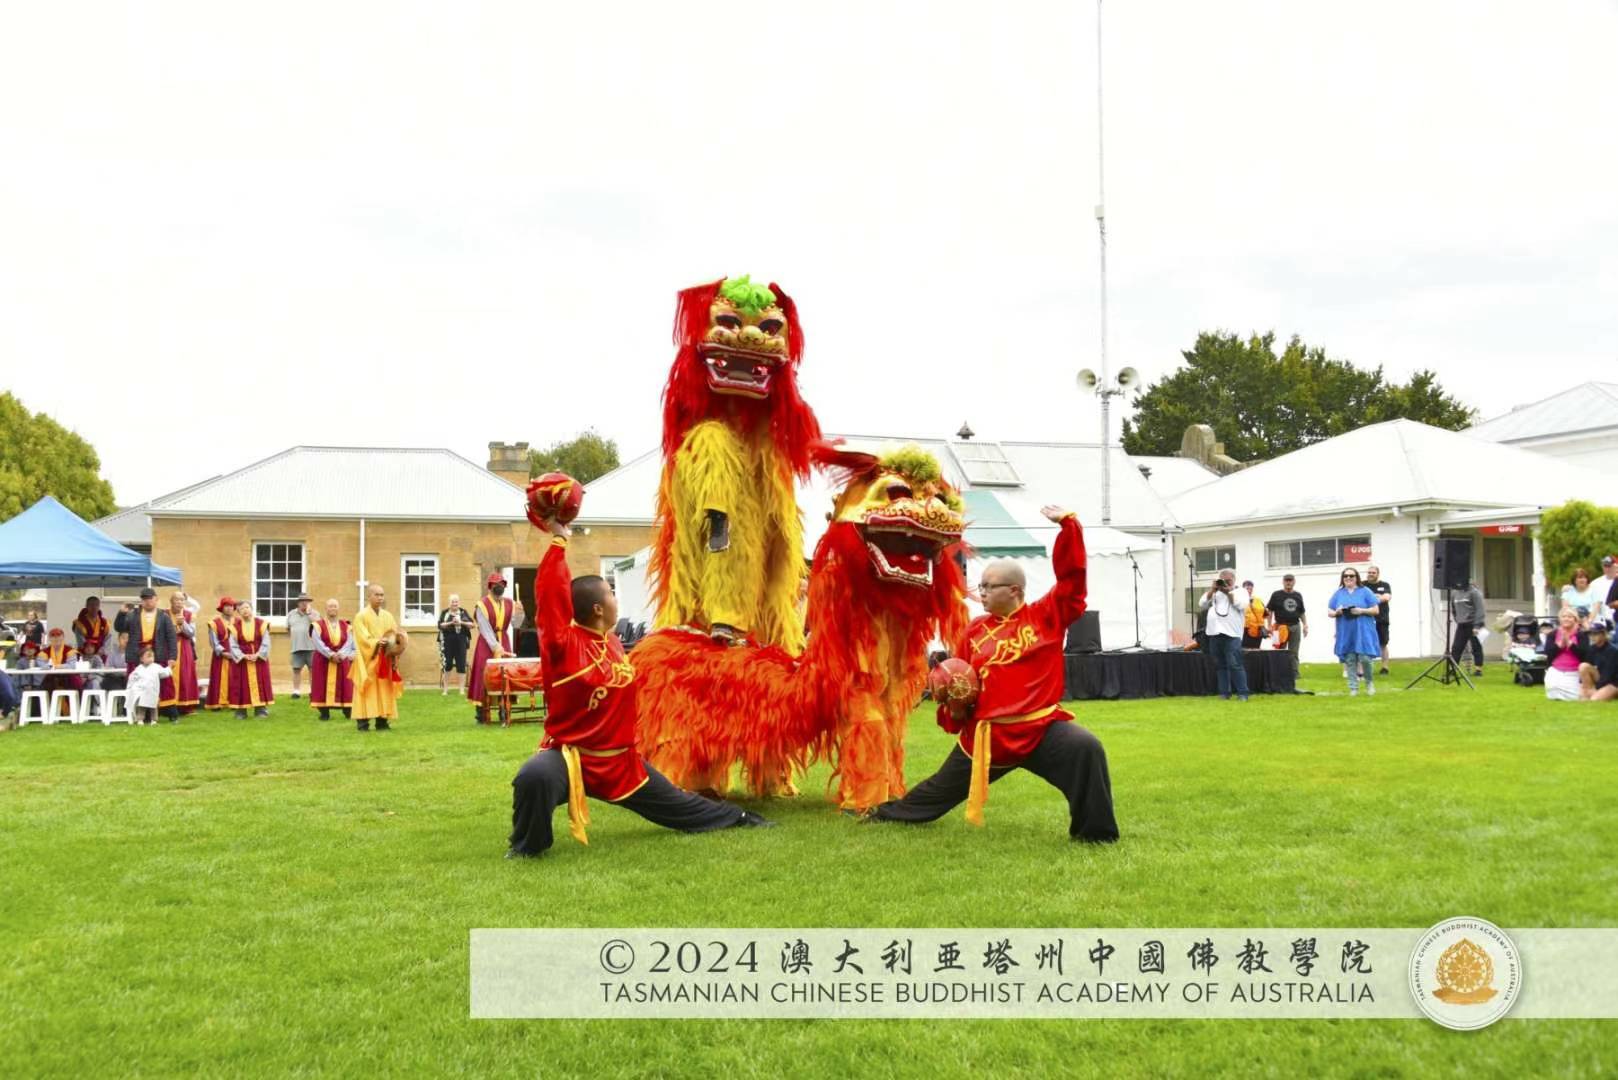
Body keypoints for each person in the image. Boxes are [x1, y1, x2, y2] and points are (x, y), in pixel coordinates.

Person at [508, 503, 770, 858]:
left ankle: (739, 818)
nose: (616, 599)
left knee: (679, 804)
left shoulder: (615, 644)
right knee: (534, 776)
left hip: (620, 763)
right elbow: (551, 597)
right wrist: (558, 540)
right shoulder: (564, 645)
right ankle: (527, 847)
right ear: (598, 608)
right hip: (571, 760)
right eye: (611, 593)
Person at [869, 506, 1118, 840]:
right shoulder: (975, 630)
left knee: (1086, 748)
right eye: (981, 585)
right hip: (989, 737)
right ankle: (889, 814)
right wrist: (955, 705)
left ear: (1014, 590)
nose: (981, 592)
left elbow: (1072, 580)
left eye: (989, 586)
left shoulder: (1046, 616)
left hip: (1039, 729)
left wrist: (1069, 527)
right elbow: (960, 679)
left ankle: (1096, 834)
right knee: (939, 789)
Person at [351, 584, 403, 732]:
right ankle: (363, 722)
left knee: (384, 689)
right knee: (366, 688)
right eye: (377, 595)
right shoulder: (361, 616)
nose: (380, 598)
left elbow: (394, 635)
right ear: (369, 596)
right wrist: (376, 642)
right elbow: (362, 638)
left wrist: (396, 645)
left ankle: (382, 721)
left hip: (385, 659)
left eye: (382, 595)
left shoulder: (388, 616)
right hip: (369, 660)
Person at [121, 587, 179, 721]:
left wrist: (172, 657)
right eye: (144, 599)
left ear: (156, 599)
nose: (147, 601)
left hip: (158, 654)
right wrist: (122, 614)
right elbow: (120, 627)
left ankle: (171, 713)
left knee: (165, 684)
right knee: (138, 684)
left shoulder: (164, 616)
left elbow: (171, 638)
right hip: (137, 655)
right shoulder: (132, 615)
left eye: (150, 598)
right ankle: (142, 715)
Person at [468, 572, 515, 724]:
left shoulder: (510, 603)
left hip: (504, 640)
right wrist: (495, 646)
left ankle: (503, 710)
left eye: (501, 584)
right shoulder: (482, 604)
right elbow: (485, 628)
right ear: (490, 586)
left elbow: (517, 624)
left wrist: (521, 613)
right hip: (486, 645)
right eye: (496, 584)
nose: (499, 586)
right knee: (483, 675)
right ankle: (481, 712)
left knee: (505, 677)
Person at [1327, 567, 1382, 696]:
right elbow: (1330, 611)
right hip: (1346, 631)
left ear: (1356, 577)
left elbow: (1376, 610)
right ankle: (1353, 688)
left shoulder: (1365, 591)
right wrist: (1337, 612)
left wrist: (1361, 611)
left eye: (1351, 576)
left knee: (1365, 658)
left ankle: (1369, 683)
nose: (1348, 578)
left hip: (1363, 630)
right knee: (1350, 659)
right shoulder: (1339, 593)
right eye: (1345, 576)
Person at [1199, 569, 1250, 701]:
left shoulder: (1241, 591)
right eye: (1223, 581)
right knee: (1220, 665)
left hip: (1232, 634)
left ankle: (1243, 693)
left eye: (1228, 581)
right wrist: (1213, 590)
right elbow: (1202, 604)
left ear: (1234, 580)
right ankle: (1224, 693)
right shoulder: (1215, 593)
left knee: (1235, 664)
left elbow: (1241, 605)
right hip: (1214, 633)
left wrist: (1228, 592)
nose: (1225, 583)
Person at [308, 598, 355, 721]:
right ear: (326, 608)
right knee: (321, 686)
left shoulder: (346, 625)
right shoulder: (318, 625)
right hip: (323, 660)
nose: (333, 608)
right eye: (330, 606)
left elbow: (350, 642)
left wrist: (341, 654)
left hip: (342, 661)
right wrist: (330, 655)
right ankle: (324, 713)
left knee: (345, 686)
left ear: (338, 608)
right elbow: (317, 642)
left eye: (335, 606)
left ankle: (348, 711)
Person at [231, 601, 274, 718]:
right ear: (238, 612)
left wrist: (259, 654)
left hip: (259, 659)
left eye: (247, 607)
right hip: (243, 661)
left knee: (261, 683)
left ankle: (261, 710)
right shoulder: (234, 627)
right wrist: (242, 656)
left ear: (251, 609)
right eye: (241, 609)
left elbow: (266, 641)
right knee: (241, 684)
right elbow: (233, 645)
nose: (245, 610)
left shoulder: (262, 624)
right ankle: (241, 711)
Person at [1265, 574, 1309, 677]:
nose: (1288, 582)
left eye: (1290, 580)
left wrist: (1305, 625)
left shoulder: (1298, 595)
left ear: (1294, 582)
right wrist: (1269, 625)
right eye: (1286, 580)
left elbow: (1301, 612)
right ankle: (1278, 673)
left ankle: (1294, 674)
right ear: (1283, 582)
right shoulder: (1276, 594)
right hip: (1279, 627)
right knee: (1278, 651)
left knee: (1294, 651)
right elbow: (1269, 611)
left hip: (1295, 626)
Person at [166, 592, 201, 715]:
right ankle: (168, 705)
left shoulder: (188, 614)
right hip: (169, 648)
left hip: (184, 648)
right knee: (168, 676)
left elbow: (191, 633)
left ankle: (186, 706)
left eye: (182, 600)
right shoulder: (164, 614)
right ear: (171, 601)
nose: (179, 602)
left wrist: (183, 623)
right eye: (177, 599)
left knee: (186, 675)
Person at [38, 627, 84, 717]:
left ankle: (76, 712)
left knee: (76, 684)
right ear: (49, 638)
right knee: (43, 688)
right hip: (52, 677)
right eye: (53, 636)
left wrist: (56, 666)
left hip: (68, 677)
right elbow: (41, 665)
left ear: (63, 637)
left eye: (58, 635)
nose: (56, 638)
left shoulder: (70, 650)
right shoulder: (44, 652)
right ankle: (48, 714)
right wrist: (53, 667)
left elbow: (72, 665)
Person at [1542, 608, 1585, 701]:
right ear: (1560, 619)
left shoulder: (1581, 635)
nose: (1566, 619)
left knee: (1575, 697)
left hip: (1575, 671)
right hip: (1556, 669)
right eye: (1564, 616)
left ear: (1575, 619)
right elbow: (1548, 653)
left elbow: (1585, 654)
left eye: (1570, 617)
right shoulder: (1552, 634)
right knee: (1553, 692)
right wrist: (1559, 645)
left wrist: (1570, 644)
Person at [72, 596, 114, 689]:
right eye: (91, 605)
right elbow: (81, 641)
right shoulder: (80, 622)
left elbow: (108, 638)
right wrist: (89, 650)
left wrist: (102, 650)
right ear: (86, 606)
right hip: (84, 654)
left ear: (99, 606)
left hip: (100, 654)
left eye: (96, 605)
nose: (94, 607)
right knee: (83, 677)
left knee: (99, 677)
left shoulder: (104, 622)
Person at [437, 595, 474, 696]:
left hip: (461, 641)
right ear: (449, 603)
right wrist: (451, 622)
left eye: (456, 602)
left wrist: (461, 622)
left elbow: (472, 625)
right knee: (447, 665)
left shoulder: (463, 612)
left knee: (461, 665)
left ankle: (461, 690)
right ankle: (445, 690)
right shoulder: (445, 613)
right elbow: (440, 625)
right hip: (447, 641)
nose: (454, 604)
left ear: (459, 602)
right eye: (453, 602)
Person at [1449, 577, 1486, 677]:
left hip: (1473, 624)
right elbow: (1454, 609)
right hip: (1461, 625)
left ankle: (1478, 670)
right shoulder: (1454, 593)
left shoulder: (1474, 593)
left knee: (1476, 647)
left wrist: (1477, 625)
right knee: (1456, 647)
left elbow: (1480, 610)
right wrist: (1458, 619)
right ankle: (1452, 670)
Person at [127, 646, 173, 726]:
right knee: (141, 706)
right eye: (148, 656)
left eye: (152, 656)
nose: (151, 658)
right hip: (142, 692)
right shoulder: (139, 668)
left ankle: (154, 720)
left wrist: (169, 668)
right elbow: (132, 678)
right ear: (142, 659)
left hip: (153, 691)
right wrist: (132, 687)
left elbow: (164, 673)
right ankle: (140, 719)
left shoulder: (156, 667)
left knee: (153, 707)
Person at [205, 598, 237, 711]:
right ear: (222, 608)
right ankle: (217, 703)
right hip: (220, 656)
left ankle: (234, 702)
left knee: (235, 678)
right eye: (226, 606)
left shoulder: (238, 622)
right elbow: (213, 641)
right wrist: (223, 652)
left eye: (231, 606)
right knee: (218, 678)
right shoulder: (214, 623)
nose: (229, 608)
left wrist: (237, 653)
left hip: (236, 655)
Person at [286, 593, 317, 700]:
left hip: (312, 647)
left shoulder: (315, 613)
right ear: (298, 603)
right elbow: (288, 628)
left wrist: (309, 614)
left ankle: (314, 691)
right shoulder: (291, 614)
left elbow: (319, 626)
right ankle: (296, 691)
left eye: (307, 601)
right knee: (296, 669)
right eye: (302, 601)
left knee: (313, 670)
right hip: (297, 647)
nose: (304, 603)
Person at [1578, 621, 1618, 702]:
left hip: (1613, 682)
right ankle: (1589, 692)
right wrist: (1584, 686)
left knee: (1594, 700)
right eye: (1590, 634)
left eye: (1595, 634)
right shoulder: (1591, 649)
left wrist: (1596, 689)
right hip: (1600, 678)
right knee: (1583, 666)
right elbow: (1586, 669)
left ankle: (1595, 693)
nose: (1592, 637)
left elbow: (1609, 676)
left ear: (1603, 634)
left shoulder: (1613, 651)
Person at [1364, 565, 1392, 675]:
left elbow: (1387, 597)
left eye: (1373, 573)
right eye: (1369, 572)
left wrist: (1372, 598)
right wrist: (1377, 597)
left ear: (1377, 574)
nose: (1370, 574)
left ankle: (1385, 668)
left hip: (1382, 619)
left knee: (1383, 643)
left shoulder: (1385, 585)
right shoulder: (1363, 585)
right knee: (1366, 643)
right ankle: (1367, 668)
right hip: (1367, 618)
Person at [1240, 580, 1266, 650]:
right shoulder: (1239, 600)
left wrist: (1263, 626)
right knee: (1244, 650)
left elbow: (1265, 614)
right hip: (1244, 628)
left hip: (1257, 629)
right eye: (1247, 588)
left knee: (1256, 650)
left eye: (1250, 588)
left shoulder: (1258, 600)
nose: (1249, 590)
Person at [1602, 555, 1618, 622]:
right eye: (1605, 566)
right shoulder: (1596, 583)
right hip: (1606, 620)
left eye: (1609, 566)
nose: (1607, 568)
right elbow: (1609, 602)